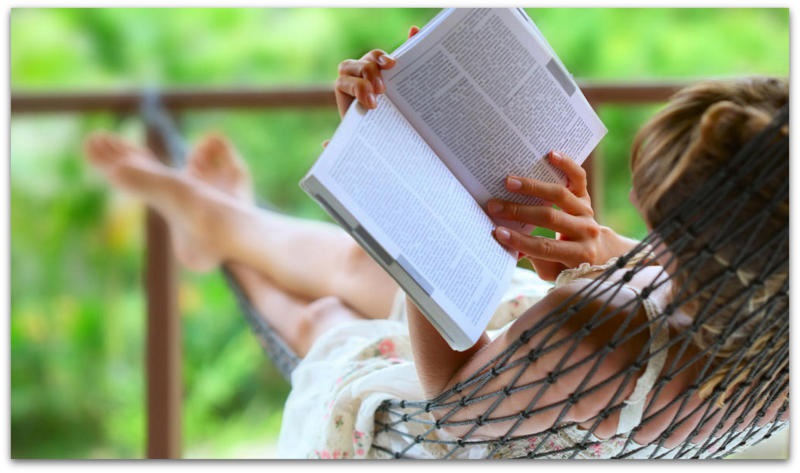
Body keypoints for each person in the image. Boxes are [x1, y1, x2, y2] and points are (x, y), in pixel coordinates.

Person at [83, 40, 788, 458]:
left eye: (655, 216)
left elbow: (451, 398)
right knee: (355, 267)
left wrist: (413, 232)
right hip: (544, 368)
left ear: (704, 244)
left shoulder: (589, 331)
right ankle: (222, 223)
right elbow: (648, 278)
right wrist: (600, 245)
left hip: (464, 425)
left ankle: (218, 235)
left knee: (326, 319)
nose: (636, 208)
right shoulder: (773, 293)